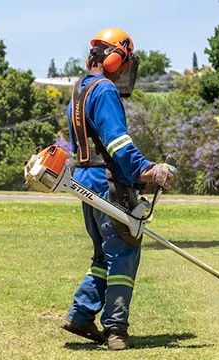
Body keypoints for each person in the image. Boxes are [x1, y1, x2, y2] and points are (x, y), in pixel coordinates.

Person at [60, 28, 178, 351]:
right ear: (114, 60)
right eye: (124, 64)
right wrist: (148, 170)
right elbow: (118, 144)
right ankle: (115, 330)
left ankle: (81, 314)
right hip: (109, 186)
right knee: (124, 253)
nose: (125, 71)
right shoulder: (105, 92)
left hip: (86, 184)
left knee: (104, 255)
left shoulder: (80, 91)